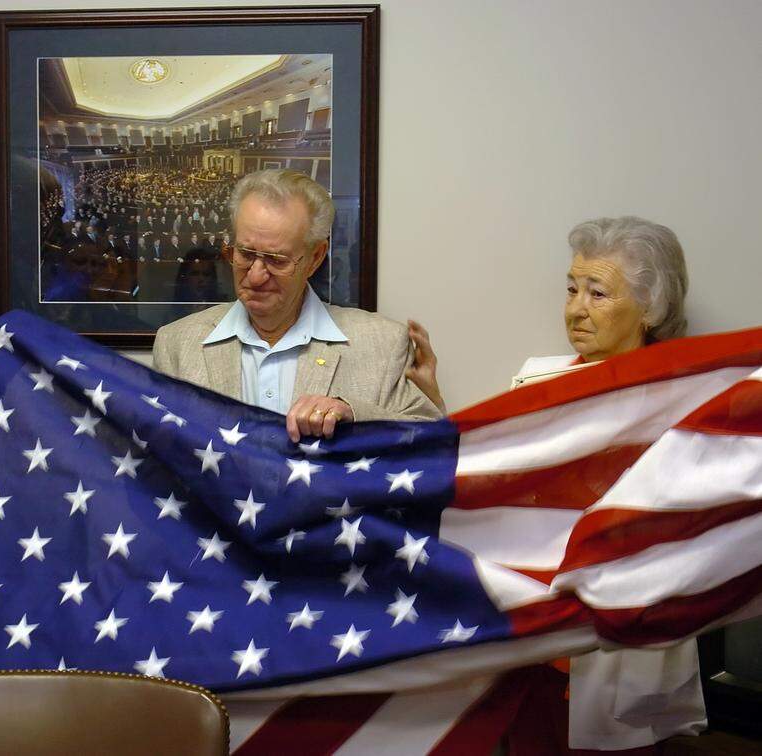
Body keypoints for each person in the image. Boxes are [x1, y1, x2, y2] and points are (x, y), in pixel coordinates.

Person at [407, 215, 703, 753]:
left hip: (620, 630)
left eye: (598, 292)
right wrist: (435, 407)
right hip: (535, 636)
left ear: (650, 307)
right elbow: (496, 485)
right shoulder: (537, 379)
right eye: (571, 289)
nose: (575, 309)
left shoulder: (684, 395)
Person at [153, 168, 440, 443]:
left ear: (315, 258)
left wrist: (354, 416)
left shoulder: (383, 343)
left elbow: (431, 444)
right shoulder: (177, 344)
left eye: (277, 260)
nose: (255, 275)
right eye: (244, 253)